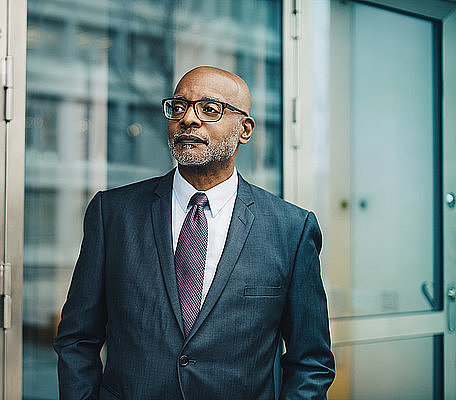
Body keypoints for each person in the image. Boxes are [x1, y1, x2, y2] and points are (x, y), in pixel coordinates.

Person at [53, 66, 335, 399]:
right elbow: (77, 339)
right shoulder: (112, 213)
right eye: (179, 106)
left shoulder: (291, 229)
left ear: (245, 129)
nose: (188, 118)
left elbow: (311, 362)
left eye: (209, 109)